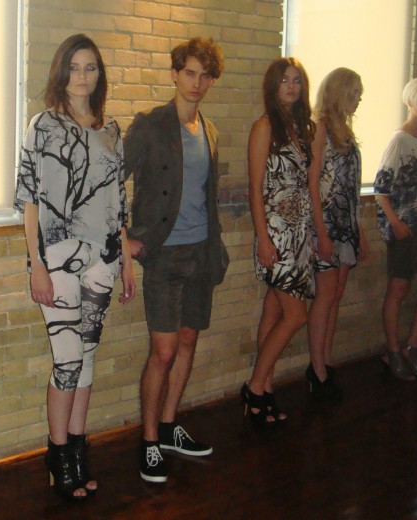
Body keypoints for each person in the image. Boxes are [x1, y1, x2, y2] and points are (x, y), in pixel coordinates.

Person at [14, 34, 135, 501]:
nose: (83, 76)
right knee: (66, 359)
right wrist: (36, 265)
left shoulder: (111, 132)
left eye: (91, 68)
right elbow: (29, 200)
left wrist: (126, 263)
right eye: (75, 67)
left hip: (103, 257)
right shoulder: (42, 126)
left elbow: (117, 204)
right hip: (58, 257)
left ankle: (79, 448)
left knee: (86, 356)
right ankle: (59, 452)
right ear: (61, 72)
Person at [124, 37, 228, 483]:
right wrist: (124, 238)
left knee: (187, 343)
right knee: (163, 351)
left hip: (201, 251)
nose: (197, 83)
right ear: (174, 73)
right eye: (189, 73)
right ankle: (149, 441)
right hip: (164, 255)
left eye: (205, 76)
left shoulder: (209, 130)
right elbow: (111, 179)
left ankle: (168, 427)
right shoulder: (150, 125)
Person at [244, 57, 315, 424]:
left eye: (297, 80)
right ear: (273, 86)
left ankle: (265, 391)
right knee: (296, 315)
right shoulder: (264, 127)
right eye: (285, 80)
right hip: (276, 234)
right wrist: (263, 239)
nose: (291, 86)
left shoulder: (302, 129)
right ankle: (255, 387)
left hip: (299, 233)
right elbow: (255, 189)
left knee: (274, 311)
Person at [374, 77, 417, 380]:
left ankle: (413, 345)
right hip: (404, 227)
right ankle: (392, 352)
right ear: (411, 100)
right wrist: (396, 223)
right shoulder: (399, 140)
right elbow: (380, 189)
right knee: (398, 289)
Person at [306, 68, 368, 399]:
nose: (358, 99)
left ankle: (326, 363)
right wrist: (322, 233)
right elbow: (313, 184)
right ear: (338, 91)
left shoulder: (346, 130)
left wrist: (359, 229)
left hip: (346, 226)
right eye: (354, 92)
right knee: (325, 296)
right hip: (326, 226)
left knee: (336, 295)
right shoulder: (320, 128)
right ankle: (316, 370)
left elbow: (352, 187)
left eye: (360, 94)